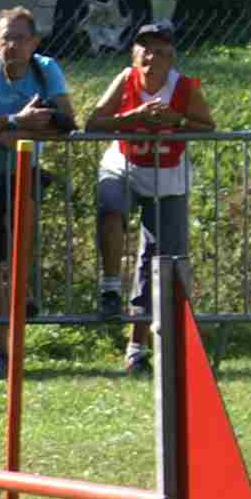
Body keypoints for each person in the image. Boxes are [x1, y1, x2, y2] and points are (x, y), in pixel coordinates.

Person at [84, 22, 215, 373]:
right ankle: (110, 289)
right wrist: (133, 117)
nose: (150, 57)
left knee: (156, 260)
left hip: (167, 178)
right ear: (133, 54)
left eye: (159, 51)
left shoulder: (184, 87)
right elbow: (93, 123)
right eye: (144, 49)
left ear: (171, 58)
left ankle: (138, 348)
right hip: (124, 165)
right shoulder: (125, 79)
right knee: (110, 208)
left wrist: (176, 121)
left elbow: (208, 126)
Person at [0, 8, 74, 375]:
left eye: (21, 38)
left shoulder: (46, 69)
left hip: (22, 173)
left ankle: (23, 290)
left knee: (19, 246)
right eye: (6, 38)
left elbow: (66, 123)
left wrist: (16, 135)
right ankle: (4, 353)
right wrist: (14, 120)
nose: (13, 45)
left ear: (34, 42)